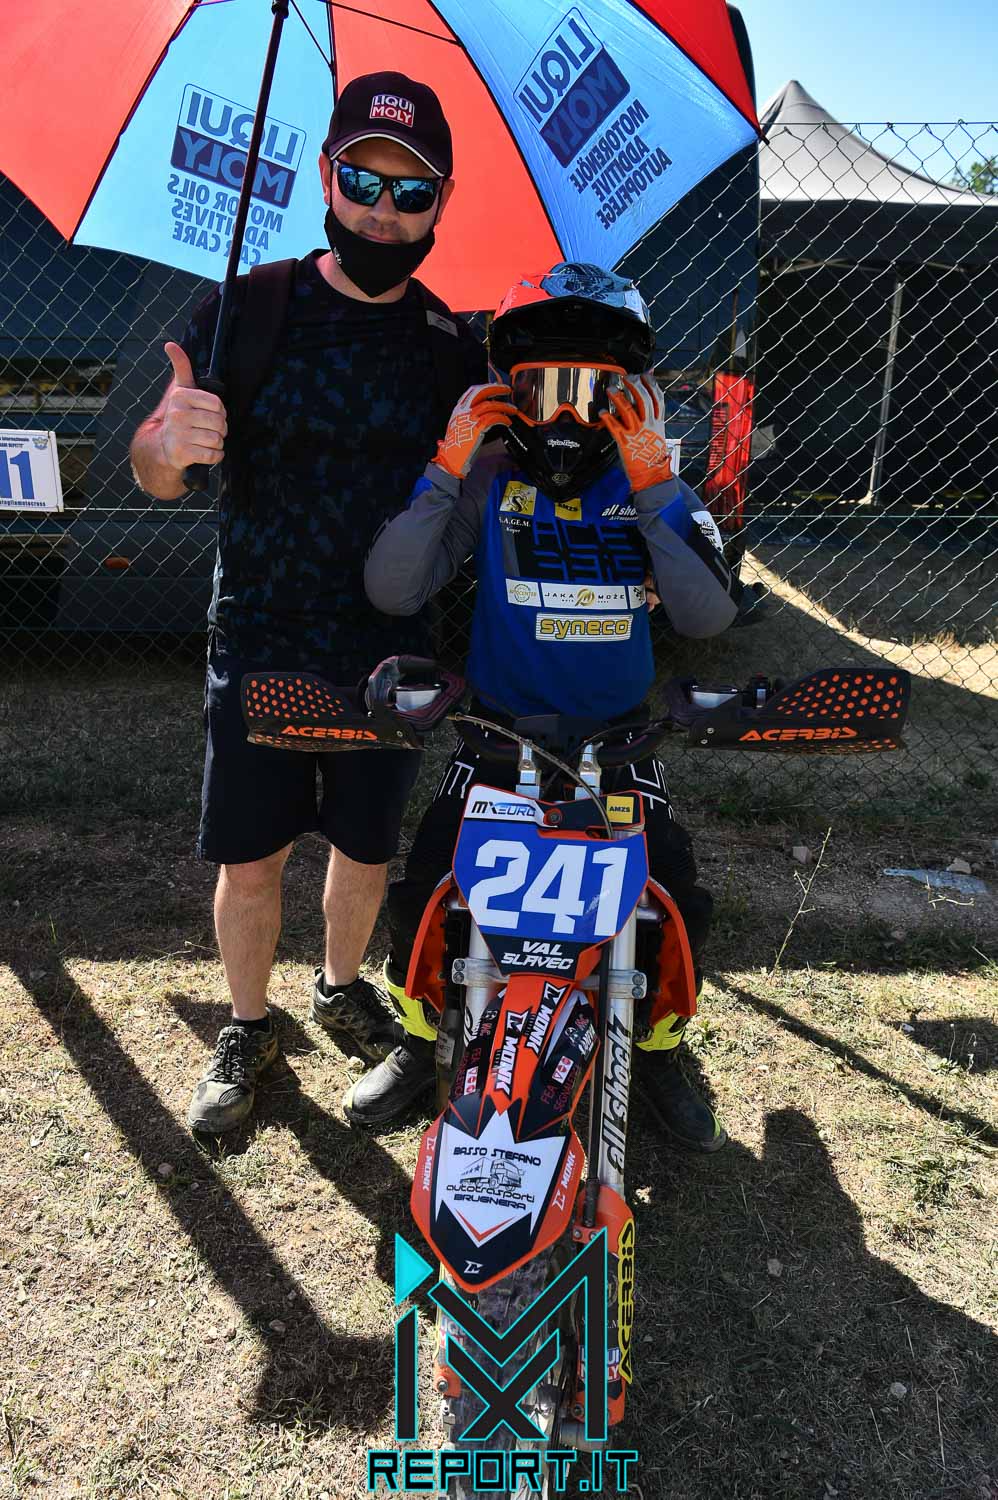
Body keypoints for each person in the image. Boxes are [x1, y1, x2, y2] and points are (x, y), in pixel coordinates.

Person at [129, 72, 485, 1135]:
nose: (382, 211)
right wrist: (168, 446)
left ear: (441, 201)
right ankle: (248, 1026)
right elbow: (154, 470)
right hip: (262, 631)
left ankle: (337, 986)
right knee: (253, 859)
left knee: (365, 850)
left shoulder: (448, 344)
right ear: (326, 178)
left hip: (389, 648)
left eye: (410, 192)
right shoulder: (248, 308)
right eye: (362, 181)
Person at [345, 261, 754, 1151]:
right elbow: (392, 588)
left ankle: (656, 1049)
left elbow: (708, 615)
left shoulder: (653, 482)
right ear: (506, 393)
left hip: (619, 743)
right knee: (427, 889)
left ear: (632, 399)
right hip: (500, 737)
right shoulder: (489, 475)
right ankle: (423, 1039)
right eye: (544, 390)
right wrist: (447, 464)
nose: (566, 416)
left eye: (591, 392)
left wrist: (655, 486)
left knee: (674, 896)